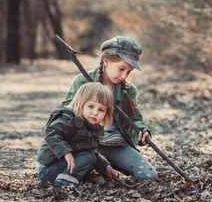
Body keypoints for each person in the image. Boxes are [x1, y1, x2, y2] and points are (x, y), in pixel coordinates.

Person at [61, 36, 158, 180]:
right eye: (121, 69)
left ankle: (107, 164)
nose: (124, 75)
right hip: (84, 143)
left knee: (149, 175)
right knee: (70, 174)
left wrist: (141, 132)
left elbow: (135, 119)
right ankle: (94, 164)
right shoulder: (82, 81)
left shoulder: (129, 90)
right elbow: (65, 113)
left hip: (114, 144)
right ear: (106, 61)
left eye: (129, 72)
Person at [36, 82, 117, 188]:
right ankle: (64, 182)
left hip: (61, 165)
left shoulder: (91, 127)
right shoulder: (68, 118)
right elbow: (51, 134)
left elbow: (91, 151)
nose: (95, 112)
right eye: (91, 106)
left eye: (101, 110)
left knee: (90, 156)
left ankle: (68, 177)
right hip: (47, 169)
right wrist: (66, 152)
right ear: (80, 103)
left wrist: (104, 166)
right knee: (88, 156)